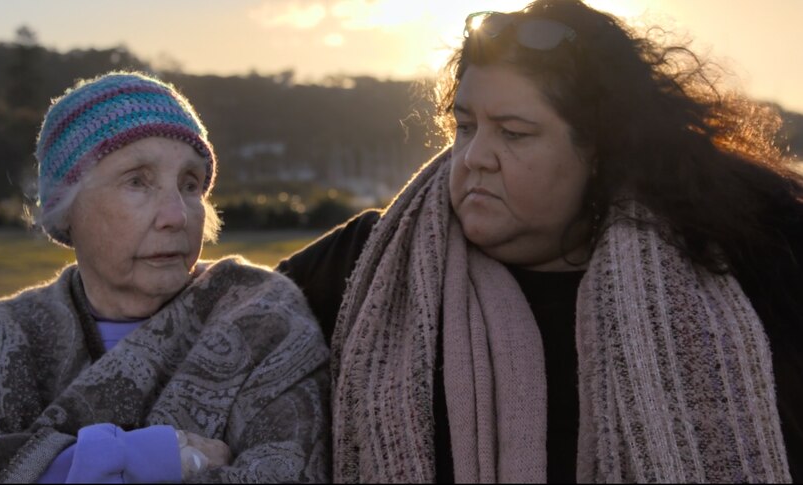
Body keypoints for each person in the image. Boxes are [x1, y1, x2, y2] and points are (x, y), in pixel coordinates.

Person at [277, 1, 803, 482]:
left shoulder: (737, 270)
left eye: (514, 133)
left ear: (600, 153)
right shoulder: (373, 260)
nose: (476, 156)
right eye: (465, 126)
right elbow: (222, 328)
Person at [0, 72, 329, 483]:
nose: (177, 216)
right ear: (66, 207)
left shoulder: (263, 321)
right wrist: (133, 457)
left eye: (191, 184)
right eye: (138, 181)